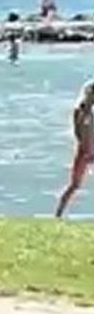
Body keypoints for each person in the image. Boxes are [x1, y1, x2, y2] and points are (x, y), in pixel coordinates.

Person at [55, 81, 94, 218]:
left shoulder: (82, 111)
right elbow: (82, 132)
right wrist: (88, 149)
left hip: (86, 149)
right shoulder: (84, 111)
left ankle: (58, 213)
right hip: (86, 149)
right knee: (74, 184)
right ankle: (58, 214)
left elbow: (79, 132)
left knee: (74, 185)